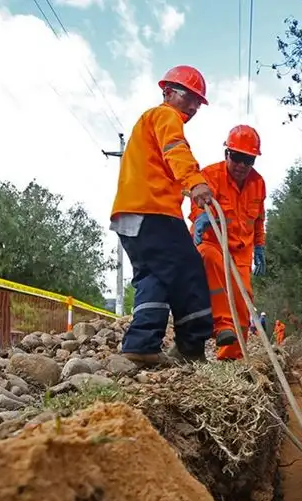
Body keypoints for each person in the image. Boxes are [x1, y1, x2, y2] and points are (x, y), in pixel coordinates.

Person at [109, 65, 215, 367]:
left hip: (130, 214)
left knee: (154, 275)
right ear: (168, 92)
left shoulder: (148, 123)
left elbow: (160, 166)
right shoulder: (166, 116)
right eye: (188, 97)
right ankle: (191, 348)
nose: (193, 106)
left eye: (198, 102)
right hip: (154, 212)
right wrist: (194, 182)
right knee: (189, 271)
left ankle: (141, 344)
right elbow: (175, 150)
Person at [190, 125, 267, 361]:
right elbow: (196, 204)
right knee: (210, 260)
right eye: (237, 157)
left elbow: (259, 219)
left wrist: (260, 246)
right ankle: (223, 324)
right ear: (227, 154)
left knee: (244, 299)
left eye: (248, 160)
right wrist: (200, 217)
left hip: (241, 251)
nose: (242, 165)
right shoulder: (210, 175)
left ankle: (232, 356)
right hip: (213, 242)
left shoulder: (258, 183)